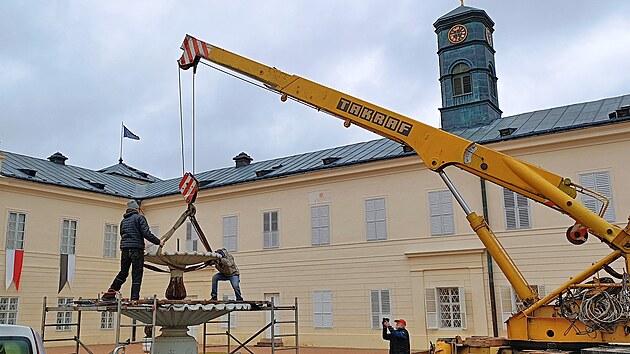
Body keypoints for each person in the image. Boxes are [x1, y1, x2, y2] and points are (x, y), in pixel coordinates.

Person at [103, 200, 164, 301]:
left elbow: (122, 234)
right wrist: (158, 242)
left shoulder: (123, 221)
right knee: (137, 274)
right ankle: (134, 298)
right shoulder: (139, 218)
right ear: (137, 209)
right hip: (136, 250)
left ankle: (109, 293)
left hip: (125, 250)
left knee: (123, 272)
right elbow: (146, 233)